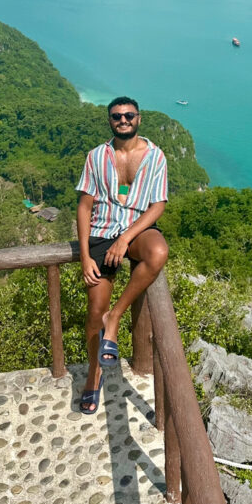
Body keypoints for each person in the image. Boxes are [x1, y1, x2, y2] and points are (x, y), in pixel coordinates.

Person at [76, 97, 169, 414]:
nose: (123, 120)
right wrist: (85, 256)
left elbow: (157, 205)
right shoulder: (96, 157)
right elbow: (84, 207)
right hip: (101, 233)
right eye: (117, 116)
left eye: (129, 115)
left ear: (139, 118)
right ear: (110, 120)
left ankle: (115, 317)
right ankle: (93, 376)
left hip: (137, 231)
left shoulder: (155, 157)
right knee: (93, 310)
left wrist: (126, 238)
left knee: (158, 251)